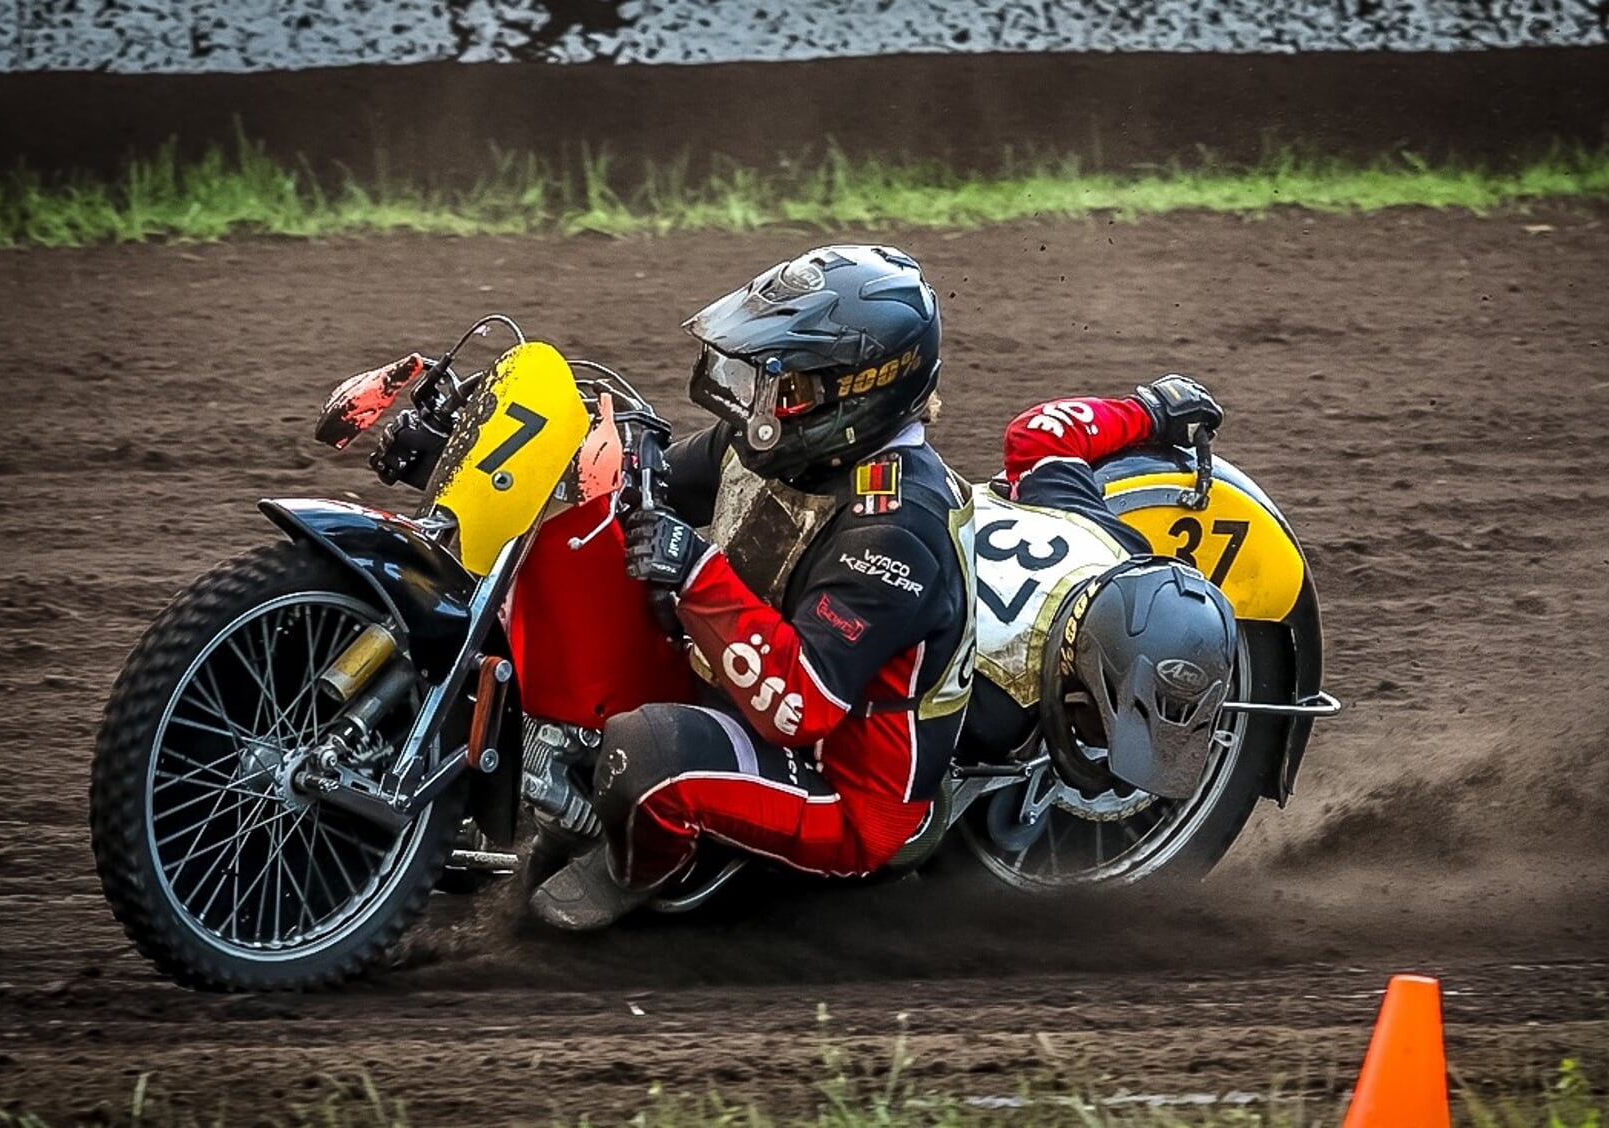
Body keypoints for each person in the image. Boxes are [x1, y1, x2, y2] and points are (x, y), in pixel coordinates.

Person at [529, 245, 977, 930]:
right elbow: (647, 494)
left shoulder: (897, 532)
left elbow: (801, 705)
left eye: (788, 386)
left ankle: (646, 883)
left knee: (646, 754)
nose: (758, 404)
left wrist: (694, 573)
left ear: (859, 391)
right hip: (746, 693)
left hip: (845, 790)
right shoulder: (794, 443)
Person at [964, 377, 1240, 798]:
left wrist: (1148, 412)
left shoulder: (1113, 541)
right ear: (1084, 697)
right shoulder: (997, 715)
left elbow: (1038, 432)